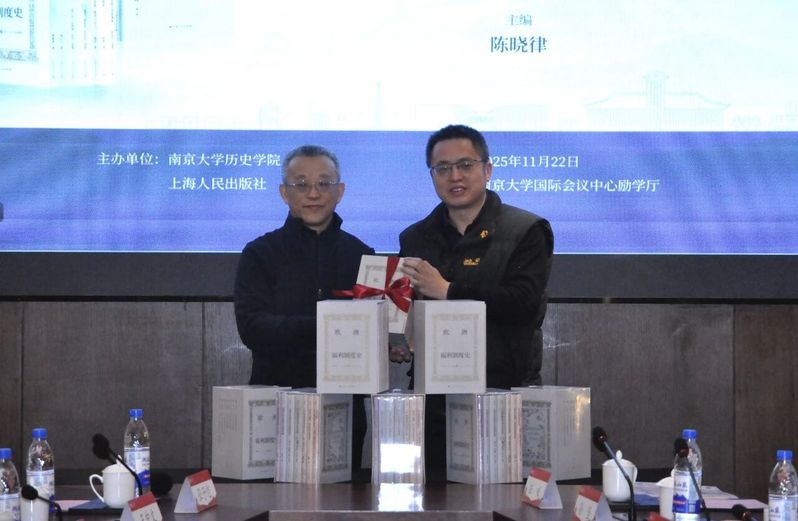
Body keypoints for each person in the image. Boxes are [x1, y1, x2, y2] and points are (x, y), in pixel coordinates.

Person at [397, 124, 554, 470]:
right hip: (433, 403)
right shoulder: (414, 238)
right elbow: (410, 308)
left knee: (502, 496)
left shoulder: (525, 230)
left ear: (487, 169)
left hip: (501, 396)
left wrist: (448, 290)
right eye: (442, 168)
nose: (454, 176)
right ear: (432, 175)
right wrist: (400, 339)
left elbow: (524, 303)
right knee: (433, 496)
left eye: (465, 165)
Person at [234, 144, 374, 472]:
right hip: (276, 402)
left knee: (343, 497)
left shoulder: (362, 255)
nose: (314, 193)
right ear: (284, 193)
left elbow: (374, 328)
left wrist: (392, 339)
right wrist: (328, 324)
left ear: (340, 192)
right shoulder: (259, 253)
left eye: (324, 183)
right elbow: (252, 328)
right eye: (302, 184)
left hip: (344, 407)